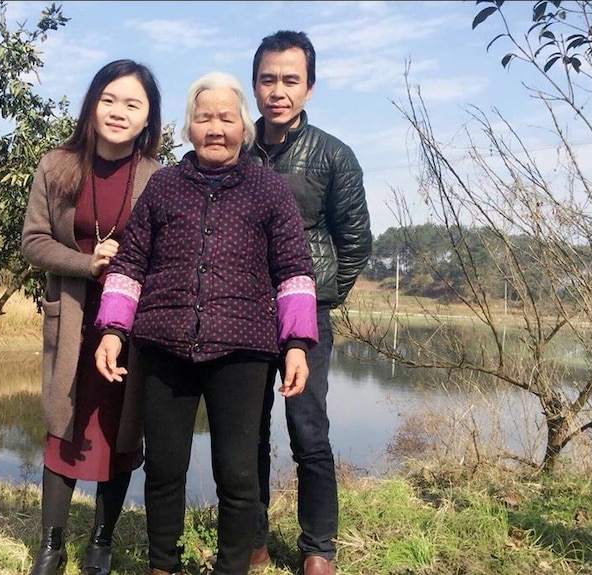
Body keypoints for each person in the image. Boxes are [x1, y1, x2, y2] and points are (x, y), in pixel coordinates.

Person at [93, 71, 319, 575]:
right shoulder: (163, 185)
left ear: (244, 126)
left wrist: (297, 344)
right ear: (188, 128)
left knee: (238, 474)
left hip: (242, 351)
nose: (215, 127)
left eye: (226, 117)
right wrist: (112, 330)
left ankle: (232, 566)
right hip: (162, 345)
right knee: (165, 470)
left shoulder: (268, 190)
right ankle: (162, 565)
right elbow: (131, 263)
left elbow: (294, 269)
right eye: (204, 117)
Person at [20, 59, 163, 575]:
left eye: (132, 104)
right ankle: (50, 546)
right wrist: (86, 261)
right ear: (92, 103)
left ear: (148, 118)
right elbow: (33, 242)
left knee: (121, 432)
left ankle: (101, 541)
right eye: (109, 99)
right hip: (73, 318)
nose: (118, 112)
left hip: (130, 326)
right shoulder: (56, 165)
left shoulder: (156, 177)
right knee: (64, 424)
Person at [248, 30, 373, 575]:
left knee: (309, 429)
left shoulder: (334, 155)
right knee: (245, 430)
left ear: (310, 87)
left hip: (308, 318)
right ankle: (249, 538)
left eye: (290, 80)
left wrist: (325, 296)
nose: (279, 90)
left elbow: (356, 241)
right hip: (244, 313)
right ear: (254, 85)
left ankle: (317, 547)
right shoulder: (236, 148)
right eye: (269, 79)